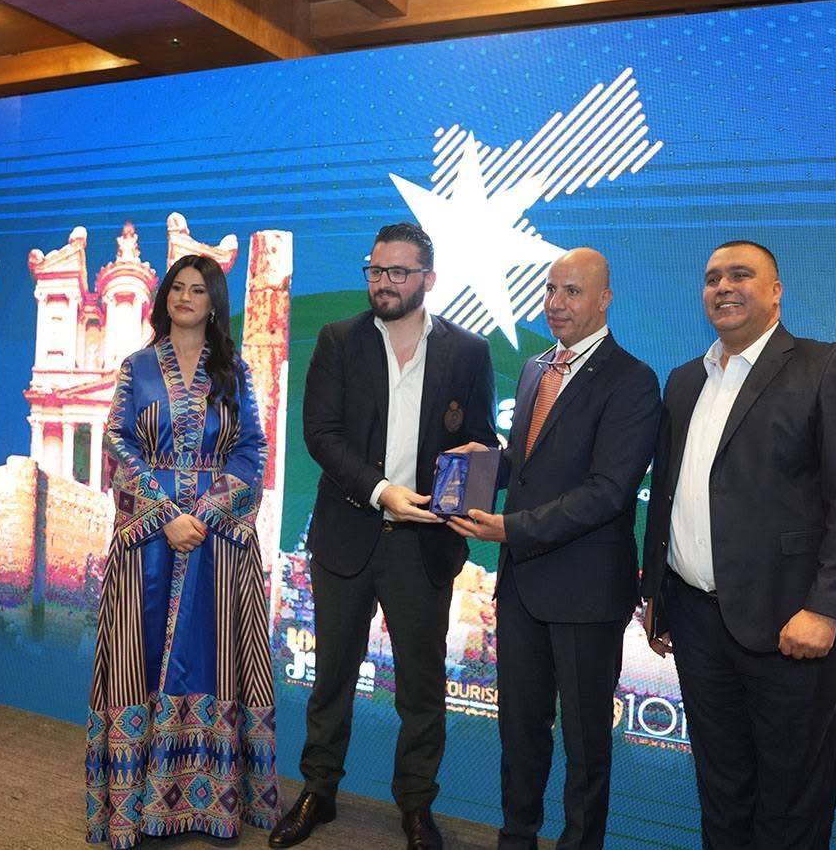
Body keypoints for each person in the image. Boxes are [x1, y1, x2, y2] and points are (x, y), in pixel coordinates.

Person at [641, 240, 836, 849]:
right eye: (712, 278)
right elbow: (668, 495)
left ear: (776, 292)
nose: (724, 287)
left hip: (791, 625)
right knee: (721, 792)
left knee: (791, 803)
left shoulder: (827, 366)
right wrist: (658, 598)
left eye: (741, 275)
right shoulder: (684, 381)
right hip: (697, 621)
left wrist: (827, 608)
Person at [269, 223, 497, 850]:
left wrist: (477, 467)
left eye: (398, 272)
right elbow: (322, 435)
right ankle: (318, 791)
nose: (384, 283)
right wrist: (380, 490)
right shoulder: (339, 340)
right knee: (331, 676)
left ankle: (417, 807)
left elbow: (483, 440)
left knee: (421, 688)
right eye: (375, 270)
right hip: (347, 533)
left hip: (423, 546)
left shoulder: (469, 352)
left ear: (429, 278)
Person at [449, 247, 660, 849]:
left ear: (605, 299)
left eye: (572, 291)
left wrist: (511, 529)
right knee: (519, 733)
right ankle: (516, 838)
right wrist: (487, 463)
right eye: (549, 290)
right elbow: (531, 464)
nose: (556, 303)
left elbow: (608, 492)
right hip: (522, 587)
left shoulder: (633, 380)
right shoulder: (536, 368)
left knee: (586, 746)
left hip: (586, 594)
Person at [86, 254, 280, 849]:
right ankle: (131, 808)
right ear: (164, 297)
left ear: (214, 302)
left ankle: (210, 805)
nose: (186, 297)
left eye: (198, 289)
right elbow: (117, 444)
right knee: (135, 661)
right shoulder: (137, 367)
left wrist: (209, 512)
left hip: (217, 546)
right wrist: (166, 514)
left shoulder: (235, 373)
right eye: (177, 287)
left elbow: (252, 448)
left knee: (214, 656)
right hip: (149, 542)